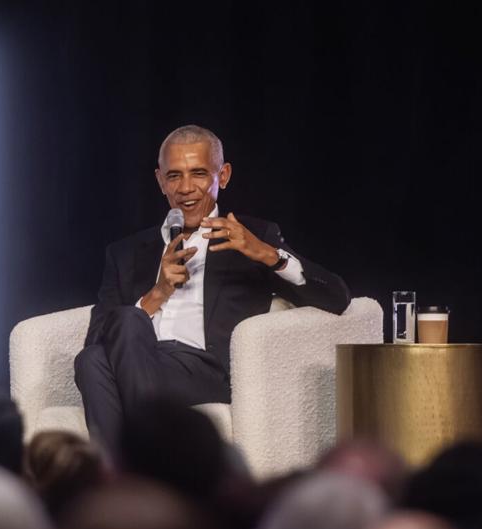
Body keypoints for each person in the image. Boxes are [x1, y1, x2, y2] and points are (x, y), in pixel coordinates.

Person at [74, 124, 351, 456]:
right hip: (139, 358)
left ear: (224, 175)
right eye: (174, 176)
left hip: (203, 370)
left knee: (98, 357)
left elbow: (336, 297)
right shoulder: (125, 253)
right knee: (97, 352)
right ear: (160, 181)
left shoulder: (252, 236)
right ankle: (140, 474)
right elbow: (96, 339)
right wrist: (156, 295)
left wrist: (265, 253)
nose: (187, 188)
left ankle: (129, 476)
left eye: (199, 174)